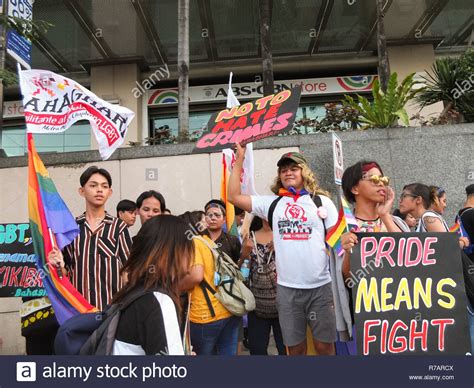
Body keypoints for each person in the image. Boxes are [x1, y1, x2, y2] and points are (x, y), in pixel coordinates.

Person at [229, 146, 339, 356]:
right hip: (287, 291)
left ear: (303, 172)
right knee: (295, 349)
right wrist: (239, 160)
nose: (288, 172)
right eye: (283, 170)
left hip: (321, 287)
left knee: (324, 346)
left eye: (293, 168)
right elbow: (233, 196)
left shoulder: (321, 202)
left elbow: (337, 243)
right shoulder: (272, 204)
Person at [48, 166, 132, 311]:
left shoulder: (118, 227)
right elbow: (65, 272)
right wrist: (57, 265)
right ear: (82, 191)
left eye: (104, 186)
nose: (99, 190)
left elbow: (129, 269)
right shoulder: (71, 229)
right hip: (79, 310)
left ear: (109, 192)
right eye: (93, 185)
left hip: (111, 311)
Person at [111, 215, 194, 355]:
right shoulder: (159, 301)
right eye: (188, 250)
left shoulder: (135, 291)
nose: (192, 258)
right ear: (172, 252)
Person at [179, 211, 240, 355]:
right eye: (203, 218)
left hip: (205, 314)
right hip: (226, 309)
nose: (207, 220)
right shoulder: (208, 241)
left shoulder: (193, 242)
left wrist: (176, 286)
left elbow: (197, 276)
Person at [240, 216, 285, 355]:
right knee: (257, 350)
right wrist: (245, 255)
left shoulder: (285, 236)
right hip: (257, 304)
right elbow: (242, 274)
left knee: (286, 349)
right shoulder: (249, 238)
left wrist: (282, 248)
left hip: (284, 303)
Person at [204, 199, 241, 263]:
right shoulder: (199, 239)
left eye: (217, 215)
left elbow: (237, 265)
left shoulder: (232, 241)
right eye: (209, 215)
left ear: (224, 219)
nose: (213, 218)